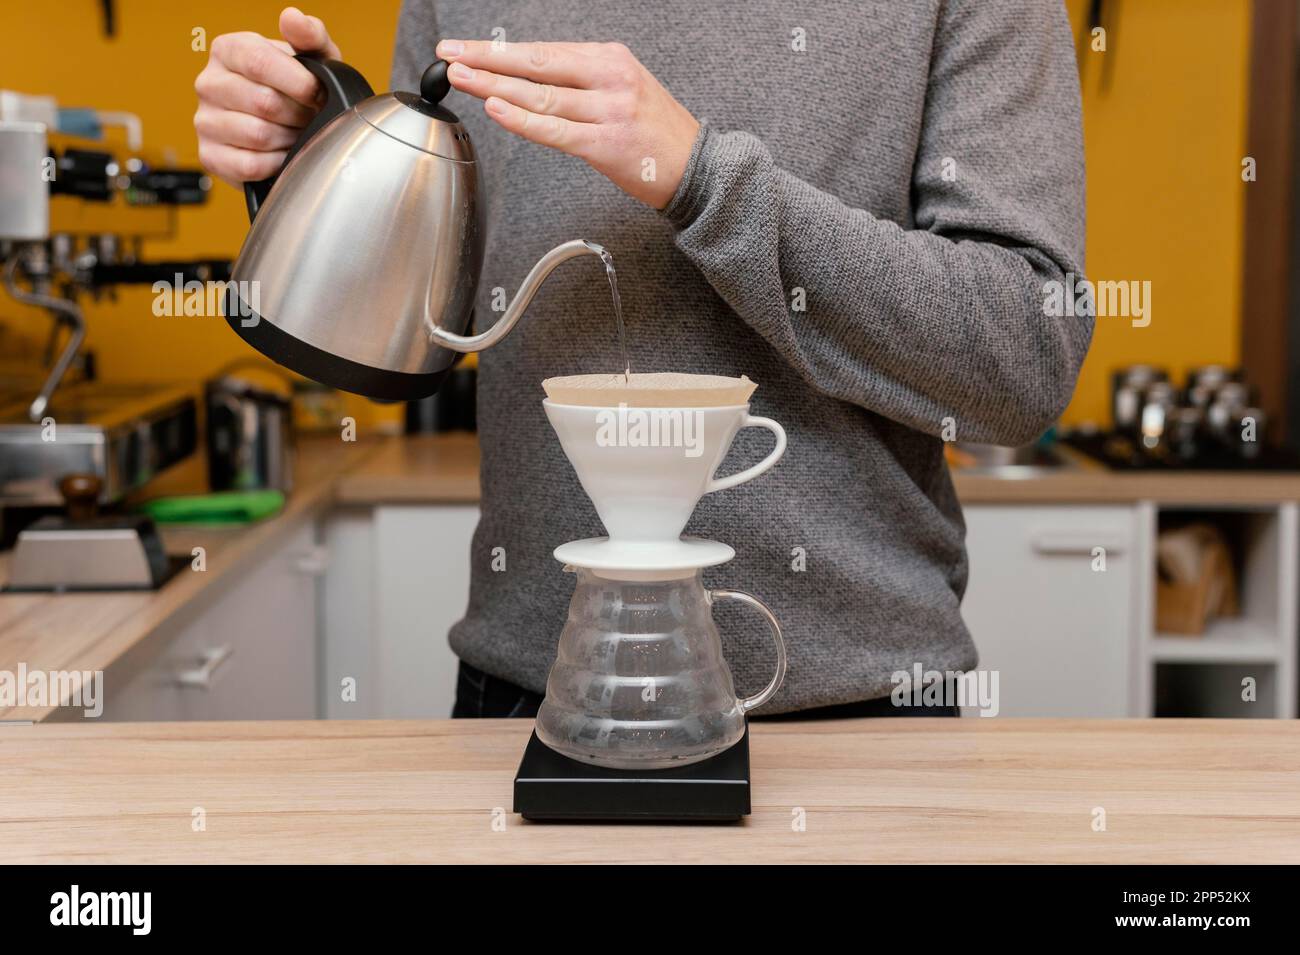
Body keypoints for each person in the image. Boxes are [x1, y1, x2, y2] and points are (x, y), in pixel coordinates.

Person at [195, 2, 1090, 719]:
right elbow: (424, 325)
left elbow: (1024, 355)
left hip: (863, 712)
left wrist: (706, 182)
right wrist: (319, 168)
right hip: (530, 691)